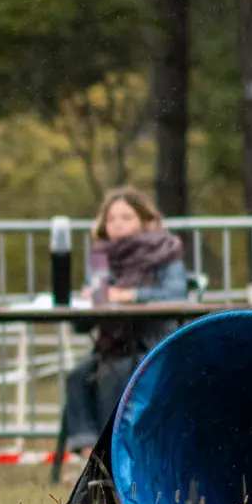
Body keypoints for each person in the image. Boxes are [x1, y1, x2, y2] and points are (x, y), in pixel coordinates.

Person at [61, 186, 189, 451]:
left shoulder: (165, 249)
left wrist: (129, 295)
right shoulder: (100, 259)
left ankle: (116, 452)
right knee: (78, 375)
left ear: (144, 220)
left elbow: (176, 294)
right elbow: (81, 325)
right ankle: (92, 456)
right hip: (111, 348)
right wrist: (86, 302)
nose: (117, 224)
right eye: (111, 218)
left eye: (126, 217)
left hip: (153, 345)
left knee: (113, 373)